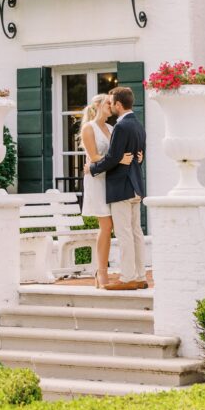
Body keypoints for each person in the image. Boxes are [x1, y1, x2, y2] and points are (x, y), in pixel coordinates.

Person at [86, 85, 146, 291]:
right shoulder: (138, 124)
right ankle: (140, 275)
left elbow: (113, 158)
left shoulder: (119, 127)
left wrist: (92, 168)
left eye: (112, 103)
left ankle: (128, 277)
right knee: (136, 232)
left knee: (125, 233)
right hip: (135, 186)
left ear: (119, 105)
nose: (110, 106)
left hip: (121, 186)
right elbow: (140, 155)